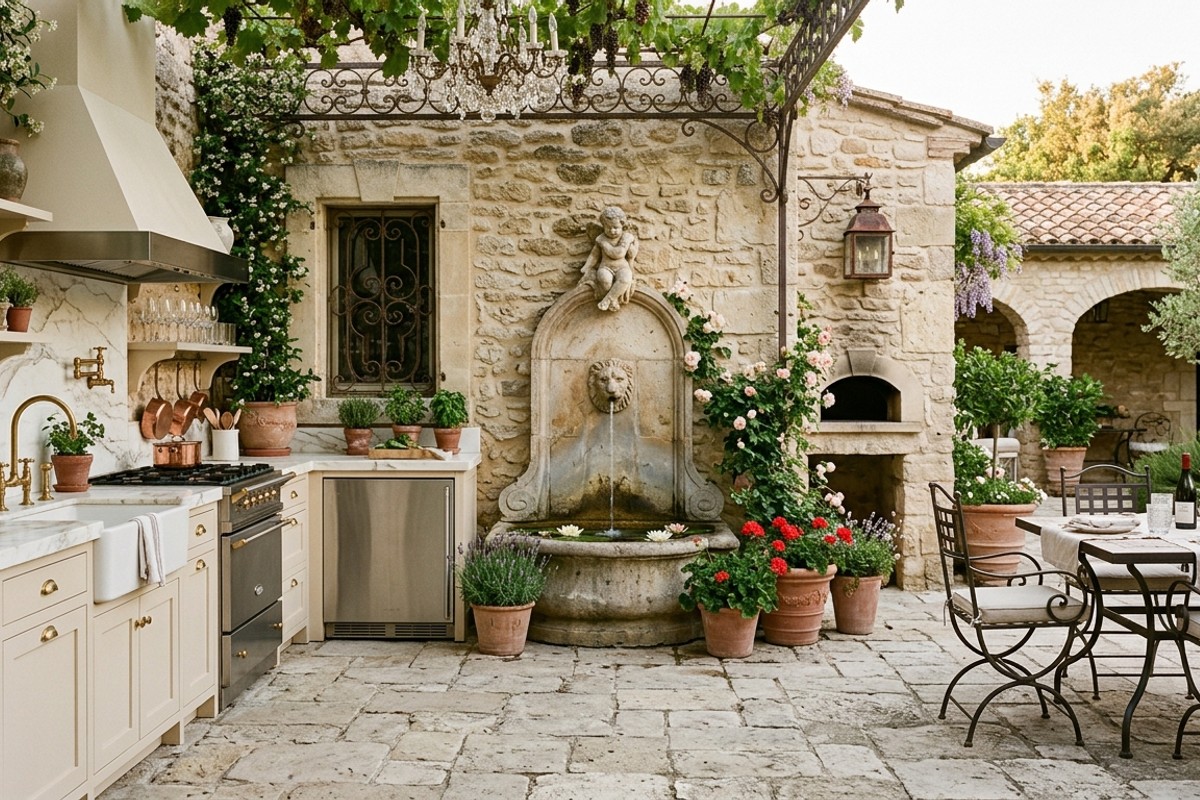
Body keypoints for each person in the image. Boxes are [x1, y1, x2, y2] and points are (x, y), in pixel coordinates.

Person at [579, 206, 639, 311]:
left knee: (625, 279)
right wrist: (587, 267)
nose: (612, 231)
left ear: (622, 225)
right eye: (608, 227)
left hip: (622, 268)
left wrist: (604, 244)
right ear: (603, 226)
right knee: (605, 281)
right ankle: (613, 299)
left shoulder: (626, 237)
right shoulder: (601, 238)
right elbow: (594, 255)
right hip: (605, 267)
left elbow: (618, 253)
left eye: (615, 227)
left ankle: (608, 300)